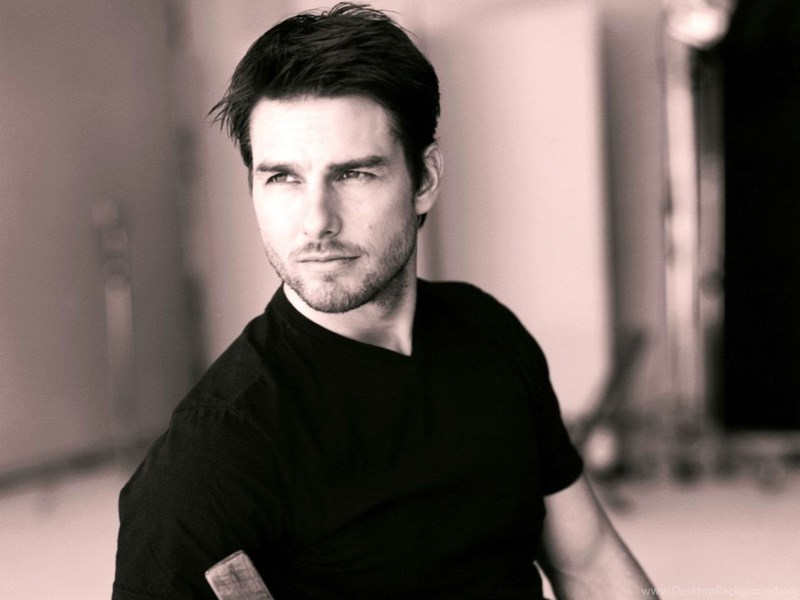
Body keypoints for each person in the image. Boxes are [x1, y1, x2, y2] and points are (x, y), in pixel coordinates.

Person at [112, 3, 655, 599]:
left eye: (353, 174)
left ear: (425, 179)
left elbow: (589, 563)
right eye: (282, 178)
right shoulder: (217, 452)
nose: (316, 222)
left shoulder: (488, 333)